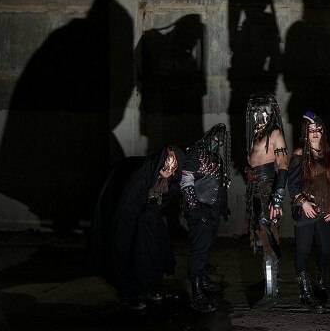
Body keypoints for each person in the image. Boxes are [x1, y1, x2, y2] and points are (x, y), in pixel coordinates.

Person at [92, 146, 184, 312]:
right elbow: (146, 199)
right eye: (167, 164)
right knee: (127, 249)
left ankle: (150, 287)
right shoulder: (148, 173)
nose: (169, 168)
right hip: (131, 212)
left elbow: (158, 201)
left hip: (148, 213)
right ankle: (130, 293)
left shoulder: (175, 172)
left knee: (152, 249)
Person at [181, 124, 232, 313]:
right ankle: (197, 293)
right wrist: (195, 208)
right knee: (199, 250)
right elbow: (186, 180)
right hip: (200, 211)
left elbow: (219, 184)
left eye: (221, 140)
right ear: (209, 137)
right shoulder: (196, 153)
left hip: (212, 211)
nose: (218, 142)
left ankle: (202, 280)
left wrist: (223, 206)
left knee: (206, 248)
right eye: (216, 138)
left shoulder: (215, 157)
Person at [244, 93, 288, 308]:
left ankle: (272, 293)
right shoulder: (255, 135)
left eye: (262, 113)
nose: (258, 117)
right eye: (255, 113)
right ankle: (269, 286)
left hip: (267, 191)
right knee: (261, 240)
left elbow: (283, 166)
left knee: (268, 238)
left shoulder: (275, 134)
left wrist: (277, 199)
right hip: (254, 191)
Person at [288, 111, 330, 313]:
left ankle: (321, 285)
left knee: (326, 250)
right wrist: (303, 203)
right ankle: (305, 292)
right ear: (305, 133)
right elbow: (292, 184)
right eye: (311, 130)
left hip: (323, 212)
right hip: (305, 212)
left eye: (318, 130)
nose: (315, 133)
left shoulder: (327, 153)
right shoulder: (300, 154)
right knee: (303, 251)